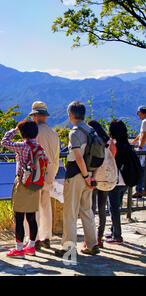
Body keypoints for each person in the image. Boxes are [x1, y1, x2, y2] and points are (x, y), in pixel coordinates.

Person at [55, 101, 99, 257]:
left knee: (70, 213)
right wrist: (91, 176)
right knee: (87, 211)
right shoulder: (92, 130)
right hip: (90, 176)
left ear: (71, 115)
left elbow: (78, 158)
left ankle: (68, 249)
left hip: (75, 175)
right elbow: (97, 155)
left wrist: (85, 175)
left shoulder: (74, 133)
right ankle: (92, 244)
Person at [1, 120, 41, 258]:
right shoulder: (39, 147)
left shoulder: (23, 146)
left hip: (23, 183)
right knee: (31, 217)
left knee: (19, 216)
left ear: (23, 132)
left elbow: (4, 142)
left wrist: (14, 130)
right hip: (35, 184)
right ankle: (31, 246)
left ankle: (19, 249)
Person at [28, 101, 60, 249]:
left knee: (32, 206)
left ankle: (33, 238)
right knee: (45, 204)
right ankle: (46, 236)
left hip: (36, 172)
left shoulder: (34, 132)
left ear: (35, 116)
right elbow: (57, 156)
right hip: (50, 171)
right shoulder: (54, 133)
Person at [87, 120, 116, 248]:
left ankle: (92, 238)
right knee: (102, 208)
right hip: (106, 178)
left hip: (94, 177)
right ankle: (100, 237)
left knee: (91, 208)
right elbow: (112, 156)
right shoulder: (108, 141)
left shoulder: (93, 140)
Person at [107, 120, 134, 244]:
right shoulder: (127, 145)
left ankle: (117, 236)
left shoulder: (114, 145)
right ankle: (113, 231)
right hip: (126, 180)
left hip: (116, 180)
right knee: (116, 207)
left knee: (114, 208)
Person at [131, 106, 146, 198]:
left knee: (140, 170)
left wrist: (140, 147)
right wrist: (135, 140)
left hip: (144, 149)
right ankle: (144, 190)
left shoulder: (144, 121)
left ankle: (138, 190)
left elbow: (144, 135)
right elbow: (141, 133)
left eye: (139, 114)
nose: (138, 116)